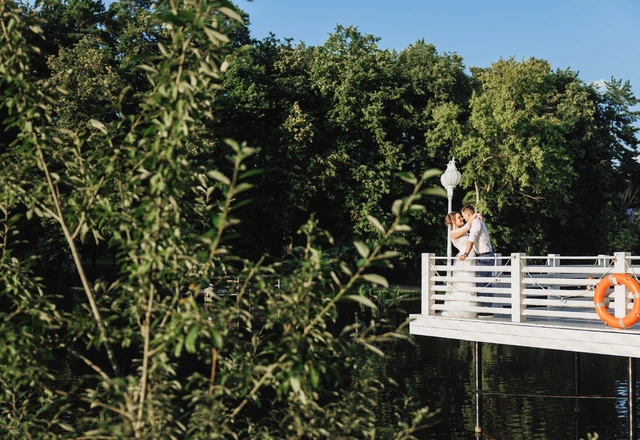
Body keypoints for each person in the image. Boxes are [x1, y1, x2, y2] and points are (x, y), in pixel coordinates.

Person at [442, 211, 480, 318]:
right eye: (459, 218)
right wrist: (475, 214)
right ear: (453, 221)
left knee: (471, 284)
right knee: (464, 284)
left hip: (471, 259)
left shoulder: (462, 230)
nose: (462, 219)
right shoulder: (453, 233)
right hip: (465, 261)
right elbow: (468, 226)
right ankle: (463, 311)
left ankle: (473, 309)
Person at [459, 204, 496, 313]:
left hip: (484, 256)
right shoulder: (475, 221)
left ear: (469, 214)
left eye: (464, 216)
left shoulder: (475, 222)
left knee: (480, 283)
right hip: (486, 255)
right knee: (486, 283)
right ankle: (488, 308)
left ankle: (486, 309)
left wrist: (466, 254)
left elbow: (472, 238)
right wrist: (477, 214)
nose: (463, 218)